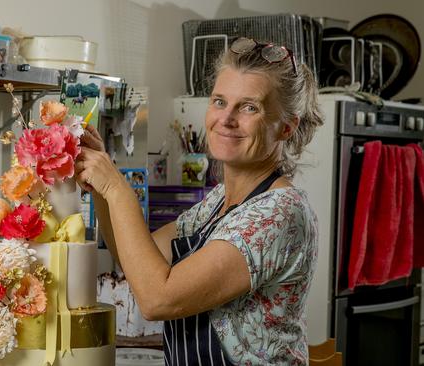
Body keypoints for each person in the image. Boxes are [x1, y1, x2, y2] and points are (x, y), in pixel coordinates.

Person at [75, 37, 323, 365]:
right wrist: (102, 189)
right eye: (220, 101)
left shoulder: (279, 213)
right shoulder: (219, 200)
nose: (227, 118)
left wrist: (118, 188)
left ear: (286, 128)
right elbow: (133, 258)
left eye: (250, 107)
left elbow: (157, 298)